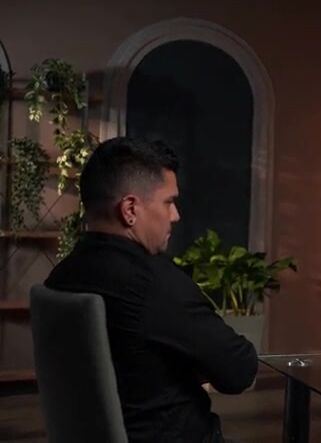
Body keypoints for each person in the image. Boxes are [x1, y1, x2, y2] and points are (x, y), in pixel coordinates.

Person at [45, 137, 258, 442]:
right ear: (130, 209)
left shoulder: (61, 277)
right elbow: (239, 370)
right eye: (168, 202)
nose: (176, 215)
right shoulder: (154, 286)